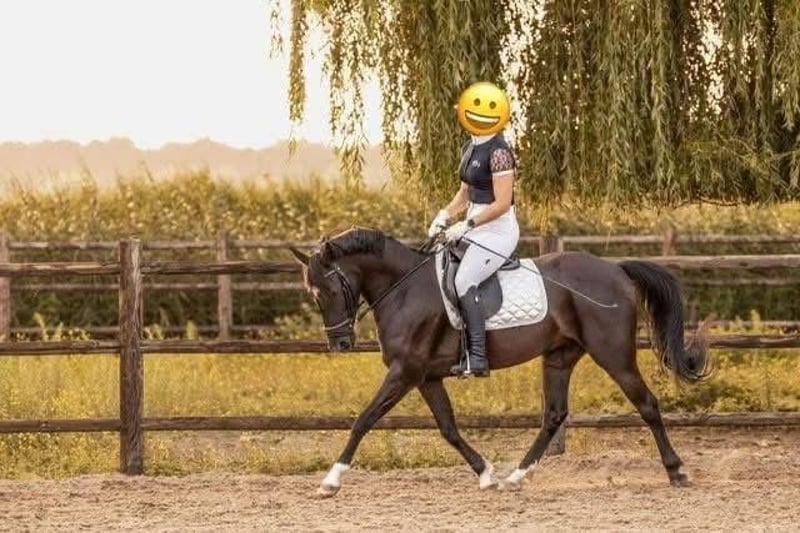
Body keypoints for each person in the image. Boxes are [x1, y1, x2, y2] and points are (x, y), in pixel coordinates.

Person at [427, 130, 520, 378]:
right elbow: (465, 194)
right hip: (474, 228)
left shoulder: (499, 153)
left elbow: (502, 203)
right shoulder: (470, 146)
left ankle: (477, 356)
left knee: (464, 280)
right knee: (440, 262)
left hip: (498, 232)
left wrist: (467, 224)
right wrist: (445, 215)